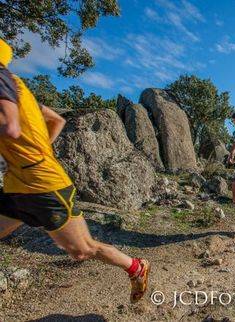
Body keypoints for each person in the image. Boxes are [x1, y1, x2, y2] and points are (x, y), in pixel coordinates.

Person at [0, 39, 150, 303]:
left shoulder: (1, 80)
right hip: (19, 184)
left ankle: (136, 267)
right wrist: (39, 150)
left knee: (82, 250)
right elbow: (56, 120)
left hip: (44, 186)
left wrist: (38, 156)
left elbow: (10, 126)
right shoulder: (18, 87)